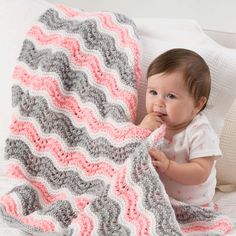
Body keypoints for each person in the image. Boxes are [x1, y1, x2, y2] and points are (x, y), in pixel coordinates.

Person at [139, 48, 222, 206]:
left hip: (193, 203)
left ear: (197, 104)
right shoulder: (151, 123)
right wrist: (141, 131)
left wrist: (169, 167)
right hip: (157, 197)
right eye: (153, 92)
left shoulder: (200, 131)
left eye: (171, 96)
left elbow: (201, 172)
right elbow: (132, 151)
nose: (159, 102)